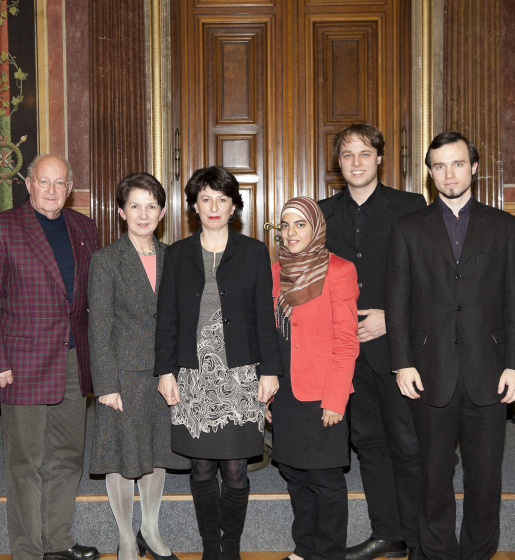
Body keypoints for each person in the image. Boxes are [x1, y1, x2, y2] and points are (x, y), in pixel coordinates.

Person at [385, 131, 515, 560]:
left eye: (458, 163)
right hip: (429, 371)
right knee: (433, 477)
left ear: (475, 167)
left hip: (491, 370)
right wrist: (402, 363)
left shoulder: (504, 226)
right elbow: (396, 302)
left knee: (485, 480)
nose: (450, 174)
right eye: (440, 166)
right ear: (430, 173)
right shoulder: (408, 228)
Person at [155, 165, 281, 560]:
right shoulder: (177, 255)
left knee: (236, 471)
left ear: (233, 207)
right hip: (192, 377)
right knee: (203, 469)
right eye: (205, 198)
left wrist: (271, 371)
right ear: (194, 204)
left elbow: (264, 316)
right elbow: (168, 318)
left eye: (222, 199)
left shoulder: (254, 252)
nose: (213, 206)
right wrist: (164, 371)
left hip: (241, 376)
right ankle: (211, 547)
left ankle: (232, 548)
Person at [0, 154, 100, 560]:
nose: (52, 190)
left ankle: (58, 540)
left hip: (72, 358)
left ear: (70, 189)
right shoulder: (0, 228)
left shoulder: (84, 228)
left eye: (60, 183)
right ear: (28, 183)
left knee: (68, 455)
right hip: (21, 363)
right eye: (44, 181)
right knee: (25, 461)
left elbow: (89, 300)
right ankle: (28, 550)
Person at [318, 123, 427, 560]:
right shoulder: (322, 213)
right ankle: (389, 533)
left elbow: (430, 280)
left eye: (365, 153)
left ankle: (421, 539)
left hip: (396, 349)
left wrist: (391, 320)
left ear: (380, 158)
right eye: (348, 155)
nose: (357, 162)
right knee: (368, 444)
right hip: (344, 352)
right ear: (338, 164)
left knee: (407, 444)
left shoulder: (411, 206)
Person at [88, 173, 190, 560]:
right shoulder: (106, 260)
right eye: (135, 206)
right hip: (123, 375)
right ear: (121, 212)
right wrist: (106, 384)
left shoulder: (173, 257)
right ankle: (125, 537)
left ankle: (150, 529)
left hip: (164, 374)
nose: (143, 214)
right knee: (121, 455)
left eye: (151, 206)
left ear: (162, 212)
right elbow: (99, 327)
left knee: (154, 452)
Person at [269, 197, 359, 560]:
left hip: (324, 392)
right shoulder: (275, 271)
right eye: (285, 225)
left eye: (300, 224)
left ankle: (330, 552)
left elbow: (346, 340)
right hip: (287, 390)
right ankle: (305, 548)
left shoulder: (339, 270)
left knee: (325, 481)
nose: (291, 233)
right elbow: (270, 336)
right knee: (294, 475)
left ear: (316, 227)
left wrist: (335, 399)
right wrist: (269, 394)